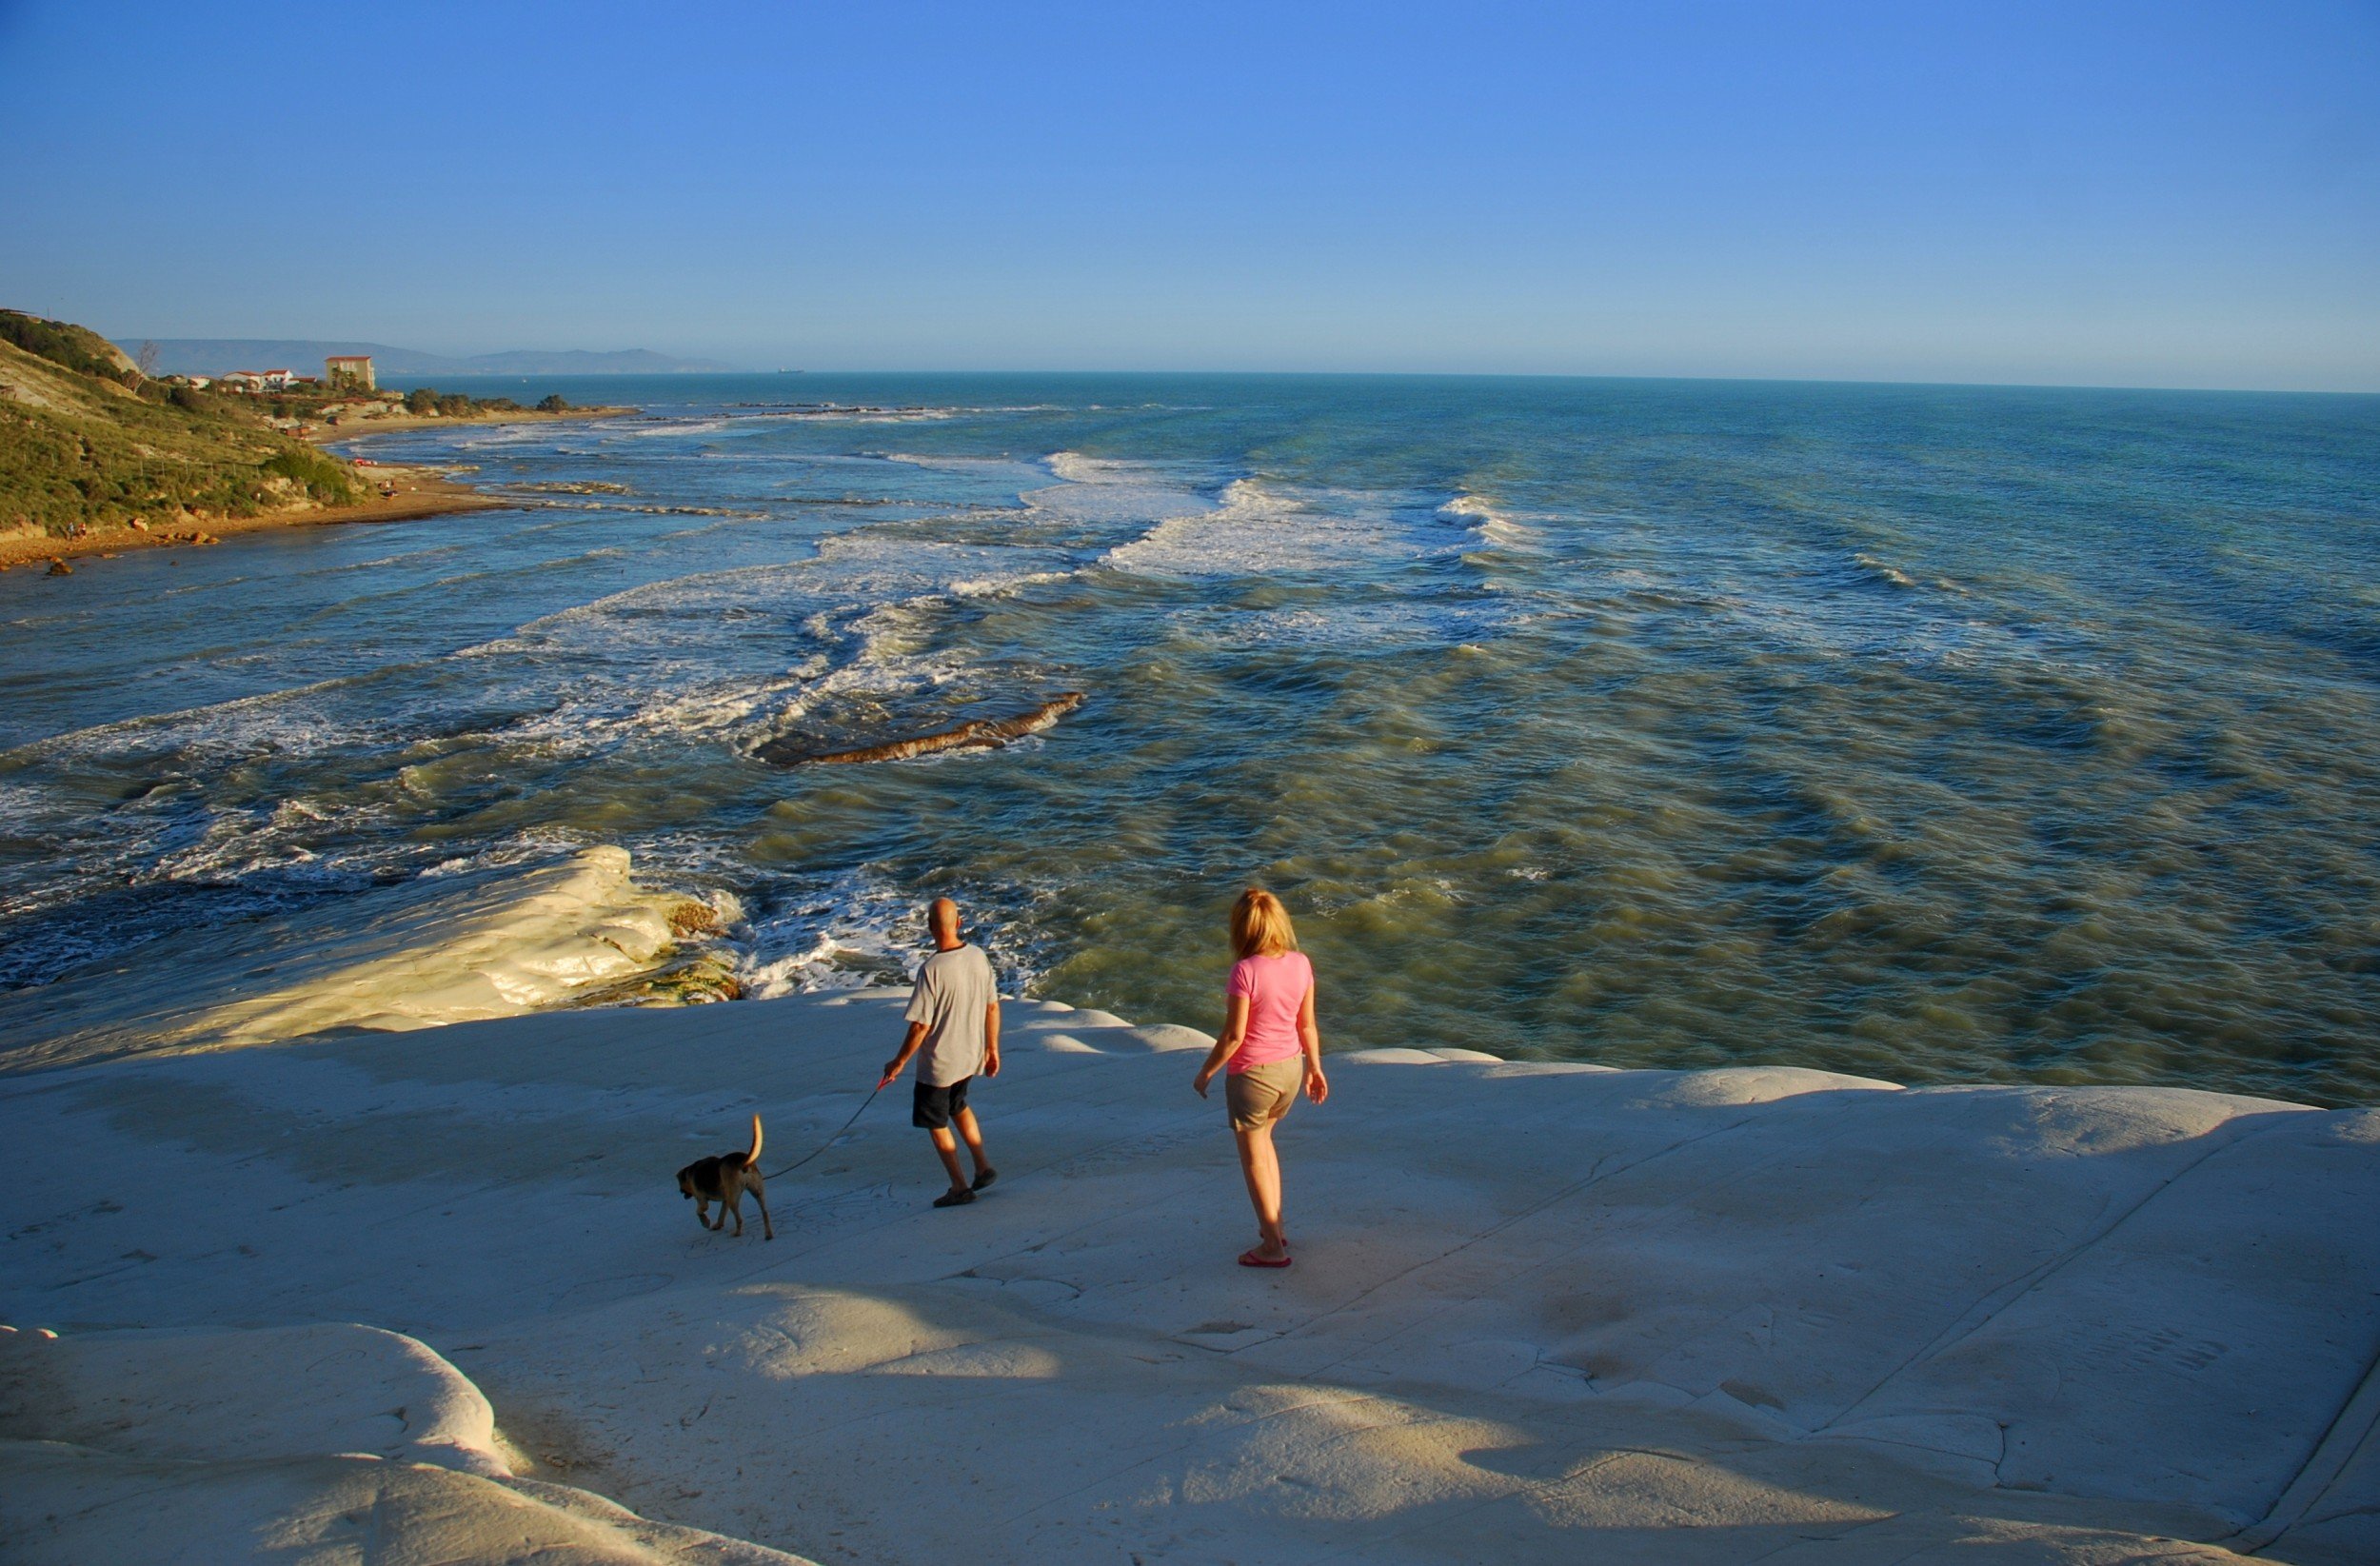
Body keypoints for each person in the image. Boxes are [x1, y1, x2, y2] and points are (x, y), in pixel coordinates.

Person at [1192, 887, 1328, 1267]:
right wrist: (1315, 1068)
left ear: (1241, 928)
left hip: (1252, 1076)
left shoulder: (1245, 971)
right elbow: (1308, 1024)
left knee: (1253, 1159)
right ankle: (1277, 1226)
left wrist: (1206, 1072)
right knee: (1266, 1146)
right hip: (1290, 1069)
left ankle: (1272, 1246)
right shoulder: (1301, 963)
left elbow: (1234, 1036)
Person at [881, 897, 1002, 1207]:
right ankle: (983, 1165)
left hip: (939, 1065)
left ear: (930, 928)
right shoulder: (977, 956)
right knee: (958, 1105)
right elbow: (992, 1006)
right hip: (970, 1056)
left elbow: (920, 1026)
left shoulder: (931, 969)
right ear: (959, 923)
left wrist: (898, 1063)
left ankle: (960, 1187)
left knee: (935, 1122)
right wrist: (992, 1049)